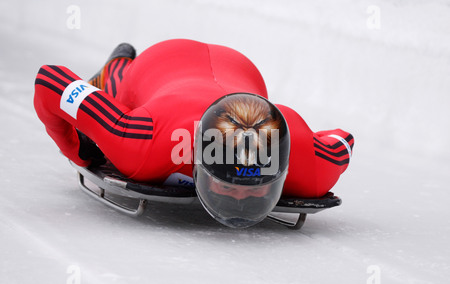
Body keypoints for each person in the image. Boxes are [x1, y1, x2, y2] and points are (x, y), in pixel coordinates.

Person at [34, 39, 354, 228]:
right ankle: (118, 64)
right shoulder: (142, 142)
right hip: (158, 65)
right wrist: (79, 148)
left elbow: (342, 141)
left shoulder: (305, 158)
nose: (240, 199)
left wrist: (77, 151)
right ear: (197, 162)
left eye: (257, 188)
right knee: (117, 87)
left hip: (239, 67)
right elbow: (49, 80)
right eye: (229, 185)